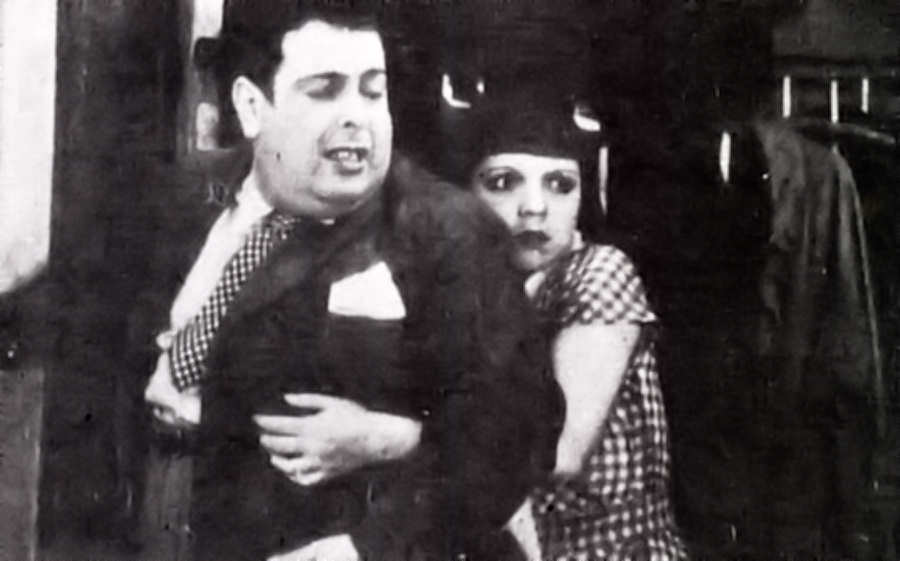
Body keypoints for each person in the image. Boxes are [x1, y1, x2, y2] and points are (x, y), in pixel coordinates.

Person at [141, 2, 561, 560]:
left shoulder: (447, 228)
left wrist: (369, 543)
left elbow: (516, 433)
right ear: (251, 106)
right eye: (325, 91)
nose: (357, 117)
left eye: (372, 91)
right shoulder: (184, 199)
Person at [457, 91, 688, 560]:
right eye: (504, 183)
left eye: (560, 185)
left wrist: (389, 437)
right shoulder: (470, 292)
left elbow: (558, 454)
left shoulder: (599, 271)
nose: (534, 207)